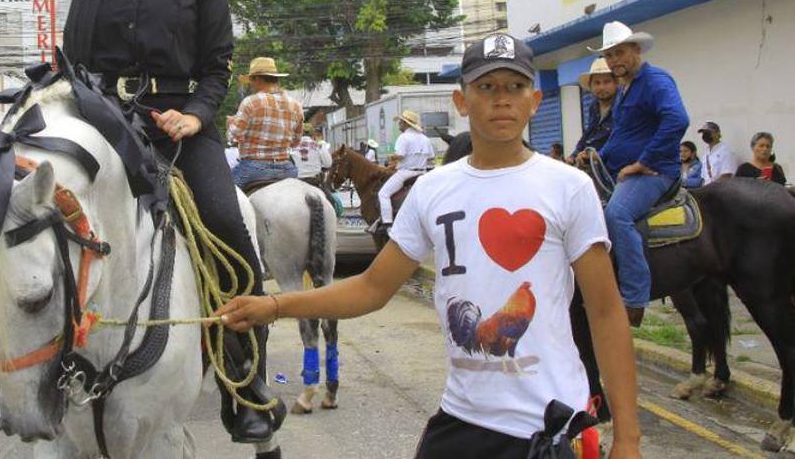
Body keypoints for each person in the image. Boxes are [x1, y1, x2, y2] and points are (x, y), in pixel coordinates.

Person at [217, 33, 642, 458]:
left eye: (515, 87)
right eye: (487, 87)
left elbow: (605, 311)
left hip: (547, 427)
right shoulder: (432, 190)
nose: (502, 100)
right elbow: (371, 288)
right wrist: (273, 306)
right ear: (461, 101)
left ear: (535, 100)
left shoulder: (570, 187)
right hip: (461, 420)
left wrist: (627, 437)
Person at [63, 0, 284, 445]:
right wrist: (98, 114)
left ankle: (247, 384)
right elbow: (74, 71)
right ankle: (17, 378)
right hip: (108, 129)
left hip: (184, 128)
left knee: (227, 225)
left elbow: (218, 68)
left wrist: (195, 115)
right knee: (41, 221)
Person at [595, 21, 689, 326]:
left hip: (654, 172)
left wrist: (642, 161)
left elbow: (677, 120)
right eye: (609, 56)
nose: (614, 61)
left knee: (617, 215)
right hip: (625, 171)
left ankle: (634, 298)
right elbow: (621, 136)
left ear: (636, 49)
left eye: (619, 53)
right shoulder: (625, 90)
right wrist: (593, 156)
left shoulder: (655, 80)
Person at [227, 57, 304, 188]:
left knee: (222, 194)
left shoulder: (251, 102)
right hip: (286, 168)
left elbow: (234, 135)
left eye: (251, 80)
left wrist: (230, 124)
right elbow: (296, 141)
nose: (250, 84)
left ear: (258, 79)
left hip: (253, 168)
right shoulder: (296, 106)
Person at [374, 110, 434, 232]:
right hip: (422, 173)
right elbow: (431, 157)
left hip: (406, 173)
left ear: (406, 124)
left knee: (383, 194)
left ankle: (387, 224)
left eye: (401, 122)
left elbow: (400, 155)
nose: (399, 124)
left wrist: (390, 157)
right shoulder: (425, 138)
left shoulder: (404, 137)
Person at [570, 58, 616, 165]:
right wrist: (574, 155)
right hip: (597, 163)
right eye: (597, 83)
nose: (602, 87)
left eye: (607, 82)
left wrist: (598, 154)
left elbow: (618, 137)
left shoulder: (623, 105)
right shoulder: (594, 106)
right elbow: (589, 132)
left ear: (616, 83)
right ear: (591, 86)